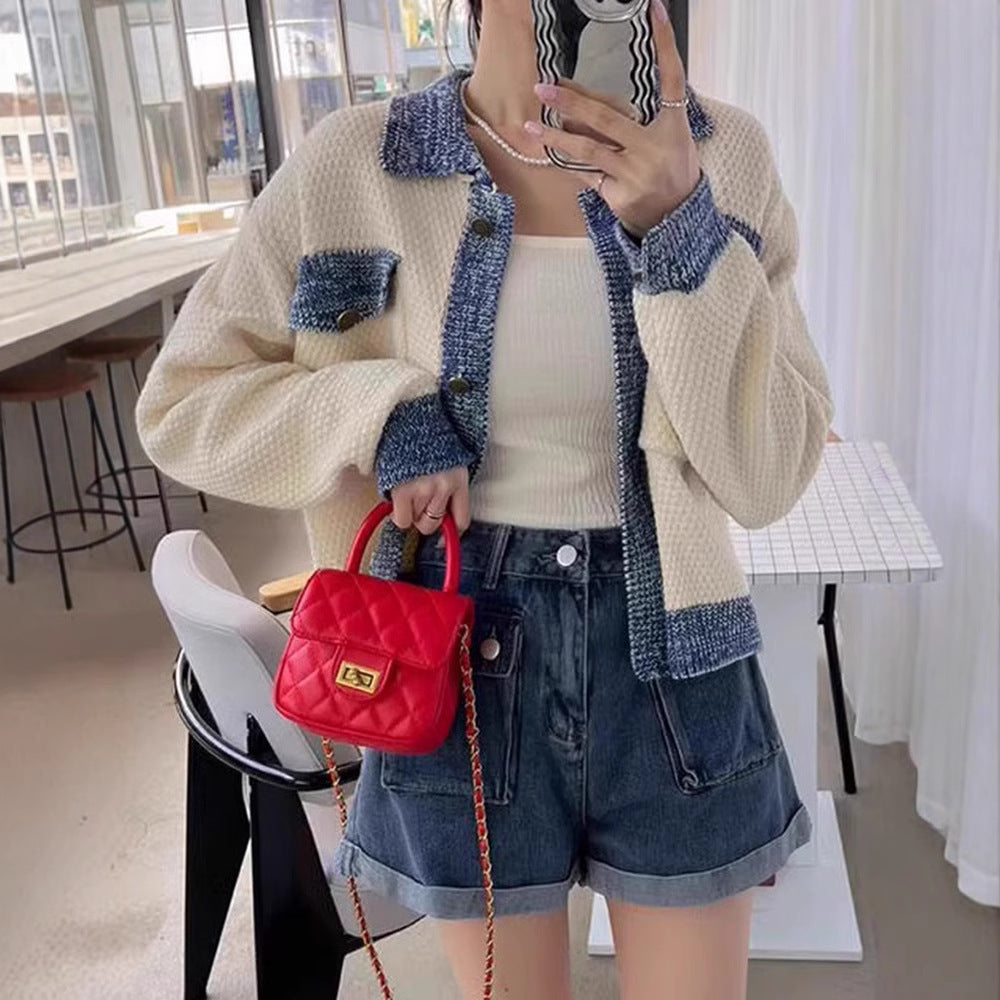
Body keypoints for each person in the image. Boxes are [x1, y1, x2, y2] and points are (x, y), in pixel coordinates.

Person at [136, 0, 836, 997]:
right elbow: (183, 401)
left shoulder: (724, 158)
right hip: (454, 664)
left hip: (678, 663)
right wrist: (379, 413)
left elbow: (770, 475)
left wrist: (682, 223)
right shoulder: (353, 164)